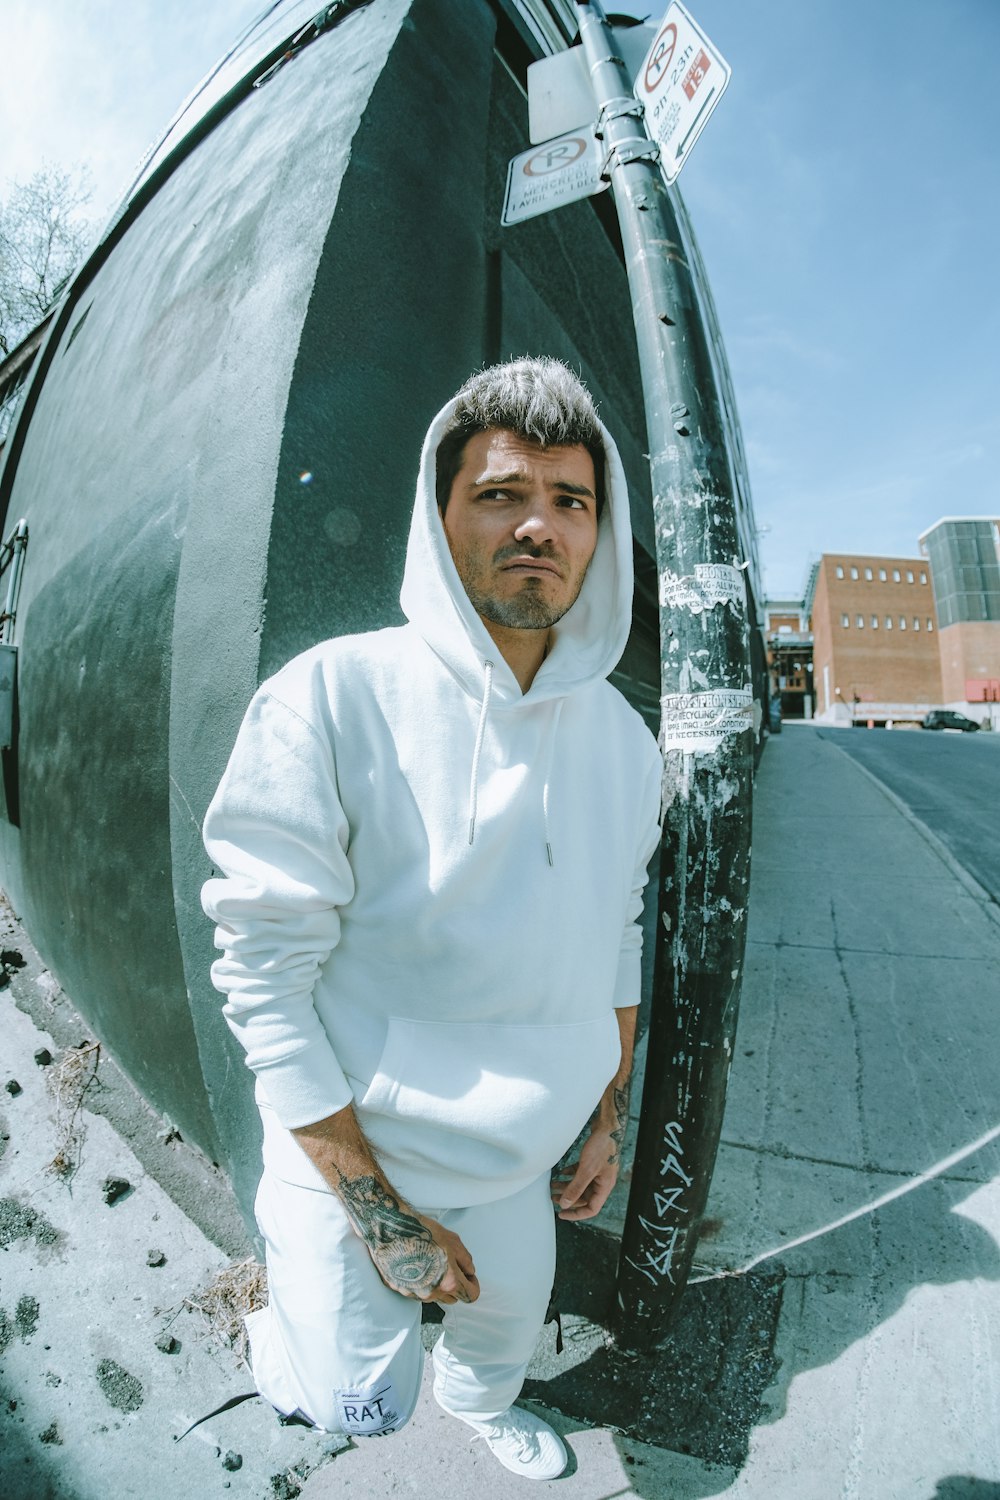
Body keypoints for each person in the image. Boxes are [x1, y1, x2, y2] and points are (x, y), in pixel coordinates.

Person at [201, 357, 662, 1480]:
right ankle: (291, 1347)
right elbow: (263, 978)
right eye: (501, 493)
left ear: (600, 535)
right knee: (357, 1407)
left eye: (571, 500)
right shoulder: (330, 697)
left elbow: (616, 935)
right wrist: (379, 1216)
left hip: (516, 1165)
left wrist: (602, 1116)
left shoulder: (627, 745)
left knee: (496, 1348)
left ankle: (483, 1405)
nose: (538, 528)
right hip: (355, 1157)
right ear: (440, 514)